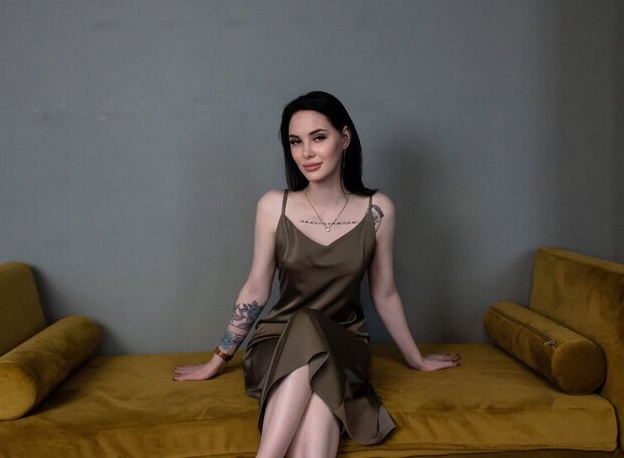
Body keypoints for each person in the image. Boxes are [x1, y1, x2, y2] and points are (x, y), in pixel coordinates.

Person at [173, 91, 460, 457]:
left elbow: (384, 293)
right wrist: (217, 360)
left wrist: (416, 358)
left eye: (318, 137)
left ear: (345, 137)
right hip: (277, 345)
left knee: (313, 339)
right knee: (319, 400)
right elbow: (256, 289)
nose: (306, 152)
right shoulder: (273, 206)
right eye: (296, 142)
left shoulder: (378, 211)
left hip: (344, 344)